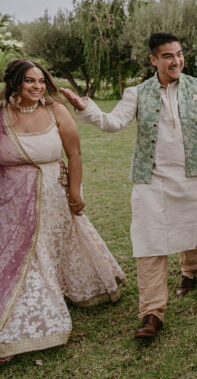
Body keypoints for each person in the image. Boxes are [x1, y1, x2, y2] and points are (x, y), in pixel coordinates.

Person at [62, 33, 197, 340]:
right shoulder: (137, 93)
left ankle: (190, 270)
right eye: (168, 56)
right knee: (148, 240)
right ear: (153, 60)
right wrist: (87, 108)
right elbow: (113, 123)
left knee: (192, 230)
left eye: (179, 54)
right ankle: (152, 313)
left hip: (193, 177)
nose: (176, 61)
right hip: (151, 180)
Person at [0, 60, 124, 362]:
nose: (38, 87)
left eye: (41, 81)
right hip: (10, 203)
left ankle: (16, 327)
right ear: (15, 83)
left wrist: (74, 192)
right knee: (15, 258)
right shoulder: (2, 115)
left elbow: (75, 153)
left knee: (39, 253)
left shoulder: (56, 110)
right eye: (30, 81)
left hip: (52, 197)